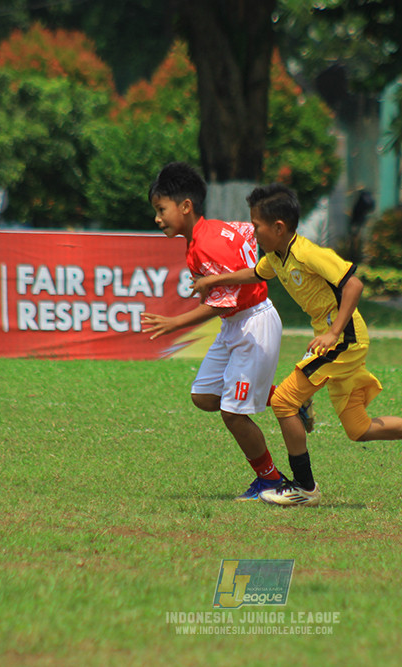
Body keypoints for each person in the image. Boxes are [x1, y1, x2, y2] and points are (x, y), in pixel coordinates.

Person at [193, 183, 402, 507]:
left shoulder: (308, 253)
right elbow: (254, 274)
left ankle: (304, 487)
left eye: (256, 225)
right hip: (336, 339)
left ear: (278, 227)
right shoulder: (276, 257)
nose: (253, 231)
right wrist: (212, 281)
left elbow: (354, 284)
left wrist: (333, 332)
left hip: (344, 339)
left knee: (285, 401)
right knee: (359, 428)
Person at [141, 162, 288, 501]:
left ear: (185, 206)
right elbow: (248, 234)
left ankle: (270, 480)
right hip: (235, 323)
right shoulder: (211, 232)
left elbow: (224, 302)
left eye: (161, 210)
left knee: (232, 413)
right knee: (204, 396)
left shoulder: (207, 244)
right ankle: (284, 397)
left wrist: (174, 323)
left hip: (253, 323)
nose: (158, 218)